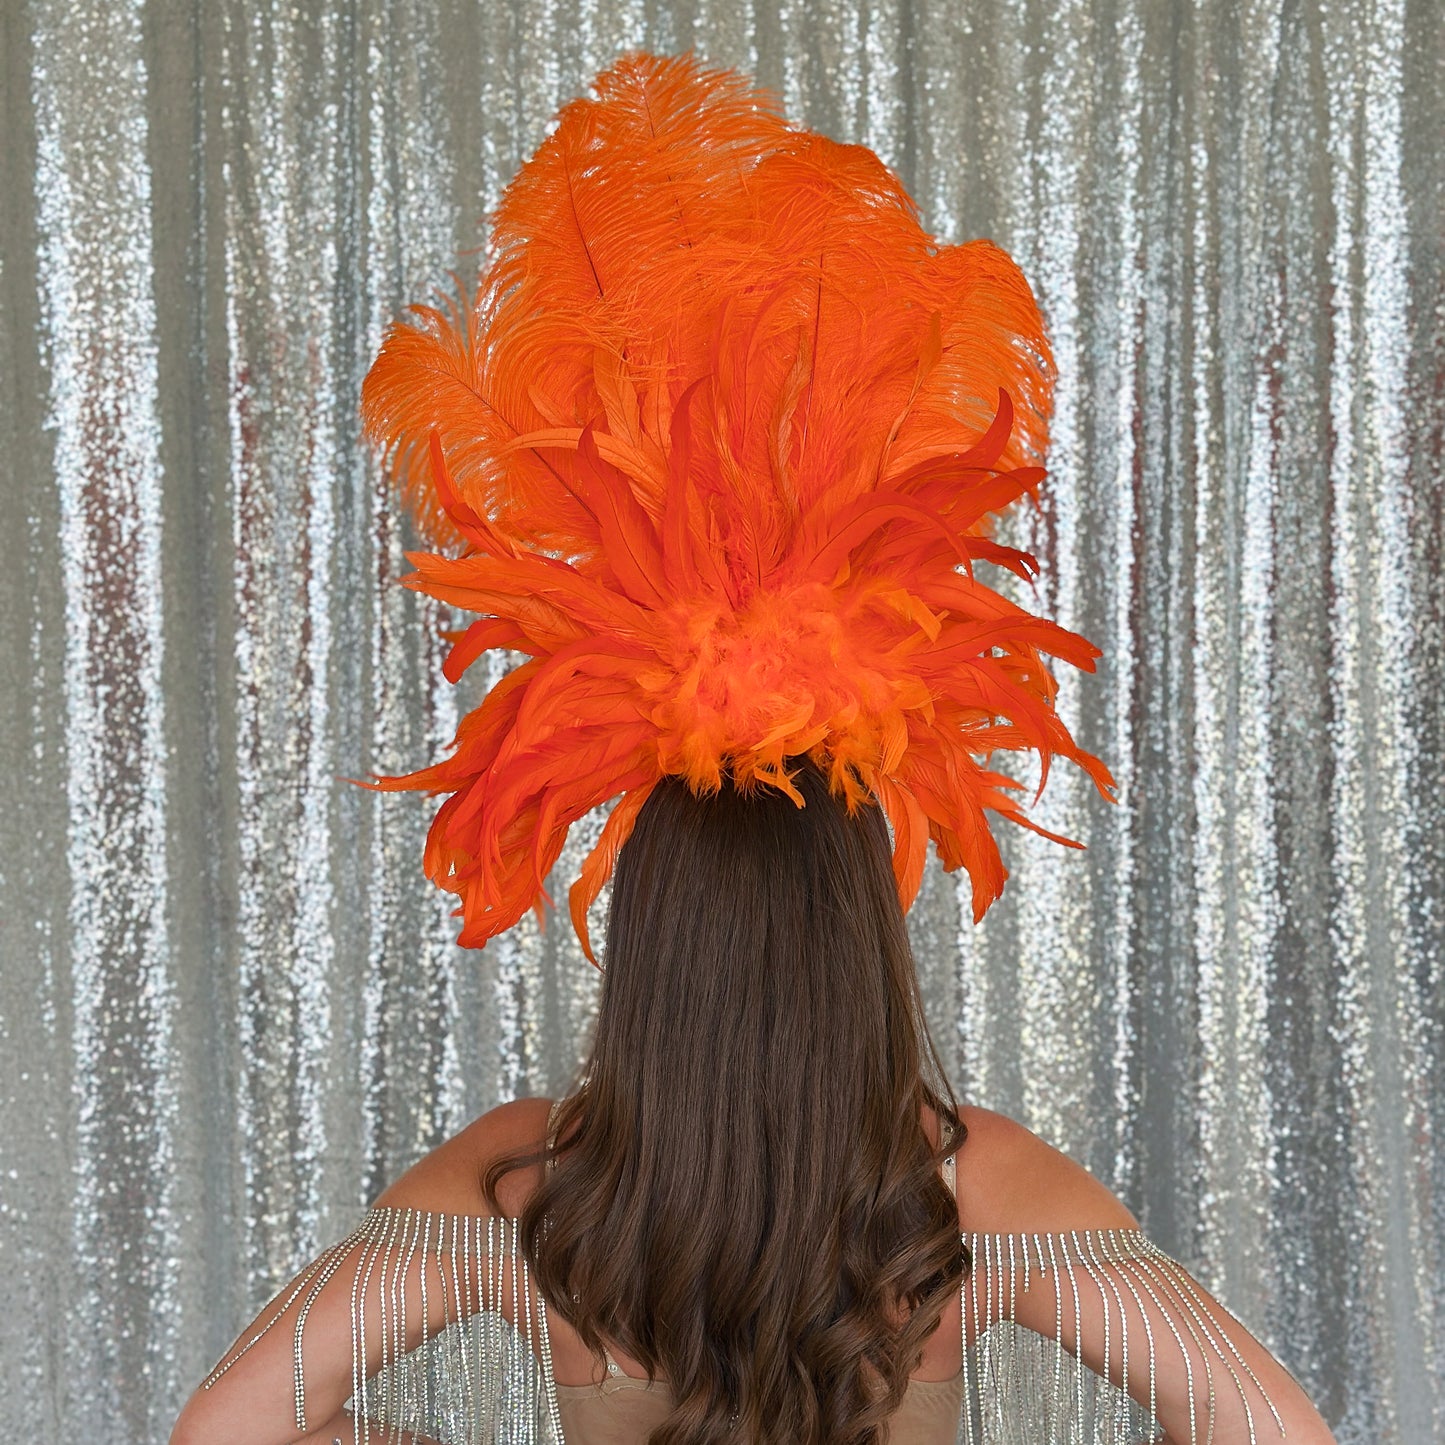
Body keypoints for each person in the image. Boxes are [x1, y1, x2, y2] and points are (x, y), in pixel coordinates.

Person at [171, 52, 1336, 1445]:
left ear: (651, 933)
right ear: (858, 933)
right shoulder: (969, 1188)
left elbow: (221, 1434)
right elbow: (1275, 1433)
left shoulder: (531, 1180)